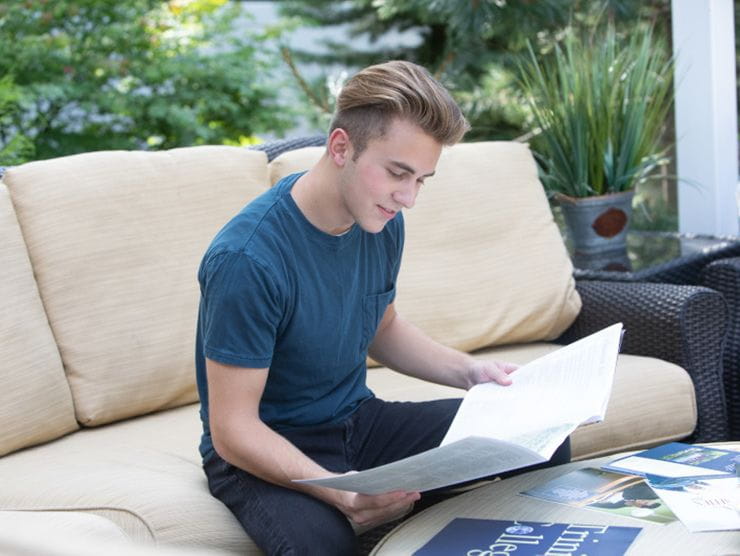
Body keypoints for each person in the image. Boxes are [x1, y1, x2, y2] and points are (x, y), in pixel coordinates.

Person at [195, 60, 570, 555]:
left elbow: (381, 326)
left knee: (539, 438)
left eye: (421, 179)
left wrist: (471, 374)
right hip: (265, 449)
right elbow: (233, 430)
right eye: (397, 173)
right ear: (341, 147)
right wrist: (339, 490)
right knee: (321, 548)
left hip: (357, 422)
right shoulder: (247, 260)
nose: (409, 197)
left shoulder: (380, 219)